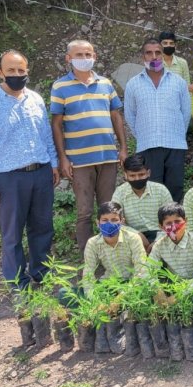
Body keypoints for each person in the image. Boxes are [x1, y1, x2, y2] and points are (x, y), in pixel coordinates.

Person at [0, 50, 59, 291]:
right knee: (12, 233)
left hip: (40, 173)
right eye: (11, 70)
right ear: (0, 73)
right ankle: (18, 282)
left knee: (42, 227)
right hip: (8, 178)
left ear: (27, 71)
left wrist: (54, 164)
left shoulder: (36, 99)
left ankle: (42, 273)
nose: (17, 75)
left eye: (21, 70)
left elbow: (46, 136)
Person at [51, 39, 128, 254]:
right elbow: (56, 124)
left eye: (88, 54)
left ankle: (112, 253)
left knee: (109, 209)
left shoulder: (105, 83)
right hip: (79, 160)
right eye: (79, 55)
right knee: (84, 212)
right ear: (68, 59)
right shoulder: (60, 86)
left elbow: (116, 115)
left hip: (107, 158)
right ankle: (89, 256)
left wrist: (123, 148)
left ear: (95, 56)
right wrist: (63, 158)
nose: (84, 59)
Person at [124, 37, 192, 202]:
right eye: (149, 53)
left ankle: (175, 225)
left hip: (174, 144)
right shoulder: (133, 84)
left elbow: (186, 112)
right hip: (148, 144)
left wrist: (177, 134)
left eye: (158, 53)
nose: (154, 57)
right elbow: (130, 115)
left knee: (175, 188)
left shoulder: (178, 82)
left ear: (163, 56)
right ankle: (157, 226)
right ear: (143, 57)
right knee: (153, 190)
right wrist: (142, 135)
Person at [82, 202, 147, 295]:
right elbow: (88, 273)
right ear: (98, 223)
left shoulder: (133, 238)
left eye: (114, 220)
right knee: (64, 293)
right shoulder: (93, 243)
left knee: (147, 292)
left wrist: (120, 298)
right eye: (104, 220)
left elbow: (141, 270)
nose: (109, 224)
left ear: (122, 222)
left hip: (133, 282)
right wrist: (92, 299)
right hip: (110, 283)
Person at [112, 154, 173, 247]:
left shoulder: (161, 190)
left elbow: (171, 220)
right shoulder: (120, 192)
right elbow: (115, 221)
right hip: (131, 237)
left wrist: (157, 242)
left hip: (160, 235)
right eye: (132, 175)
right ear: (125, 175)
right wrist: (137, 235)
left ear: (148, 173)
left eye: (141, 174)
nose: (137, 179)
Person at [149, 202, 193, 281]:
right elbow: (148, 271)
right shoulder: (159, 245)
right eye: (169, 223)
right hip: (174, 287)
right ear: (161, 227)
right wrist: (158, 291)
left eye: (177, 221)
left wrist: (183, 292)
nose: (174, 227)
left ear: (185, 221)